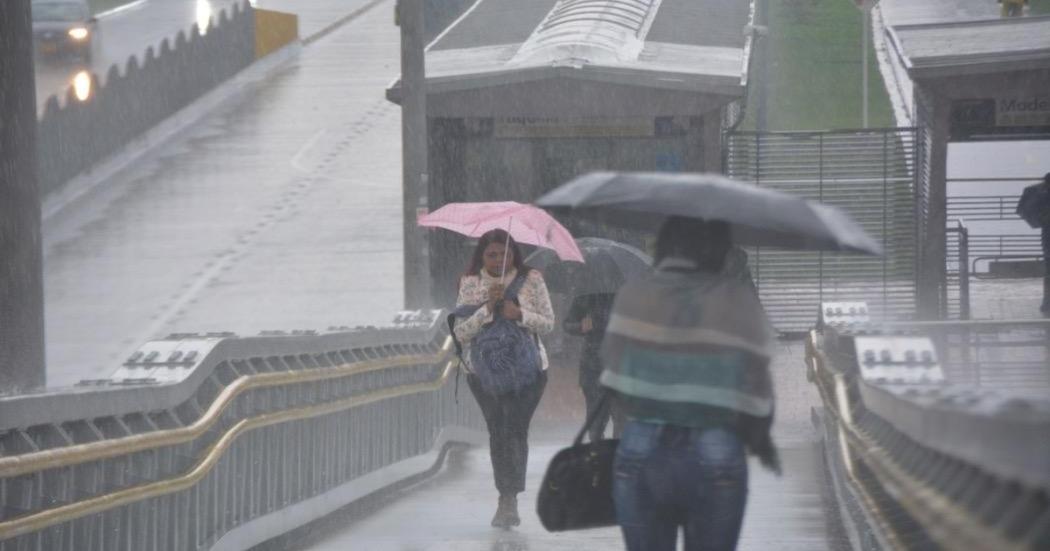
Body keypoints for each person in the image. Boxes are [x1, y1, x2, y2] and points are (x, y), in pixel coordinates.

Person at [601, 216, 779, 551]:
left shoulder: (635, 295)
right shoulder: (736, 300)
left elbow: (614, 375)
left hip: (642, 448)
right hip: (717, 446)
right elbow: (758, 390)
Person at [453, 229, 554, 528]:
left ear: (515, 254)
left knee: (515, 429)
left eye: (505, 254)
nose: (499, 260)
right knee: (498, 430)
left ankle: (510, 497)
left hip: (529, 372)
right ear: (481, 256)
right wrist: (486, 309)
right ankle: (505, 497)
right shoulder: (470, 283)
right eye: (492, 254)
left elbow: (548, 323)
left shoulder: (532, 279)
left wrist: (518, 313)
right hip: (484, 373)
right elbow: (460, 332)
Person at [563, 292, 624, 442]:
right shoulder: (584, 296)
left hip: (620, 365)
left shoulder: (626, 297)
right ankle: (597, 458)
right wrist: (580, 326)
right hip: (592, 365)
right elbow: (567, 324)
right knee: (596, 423)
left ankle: (618, 459)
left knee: (622, 421)